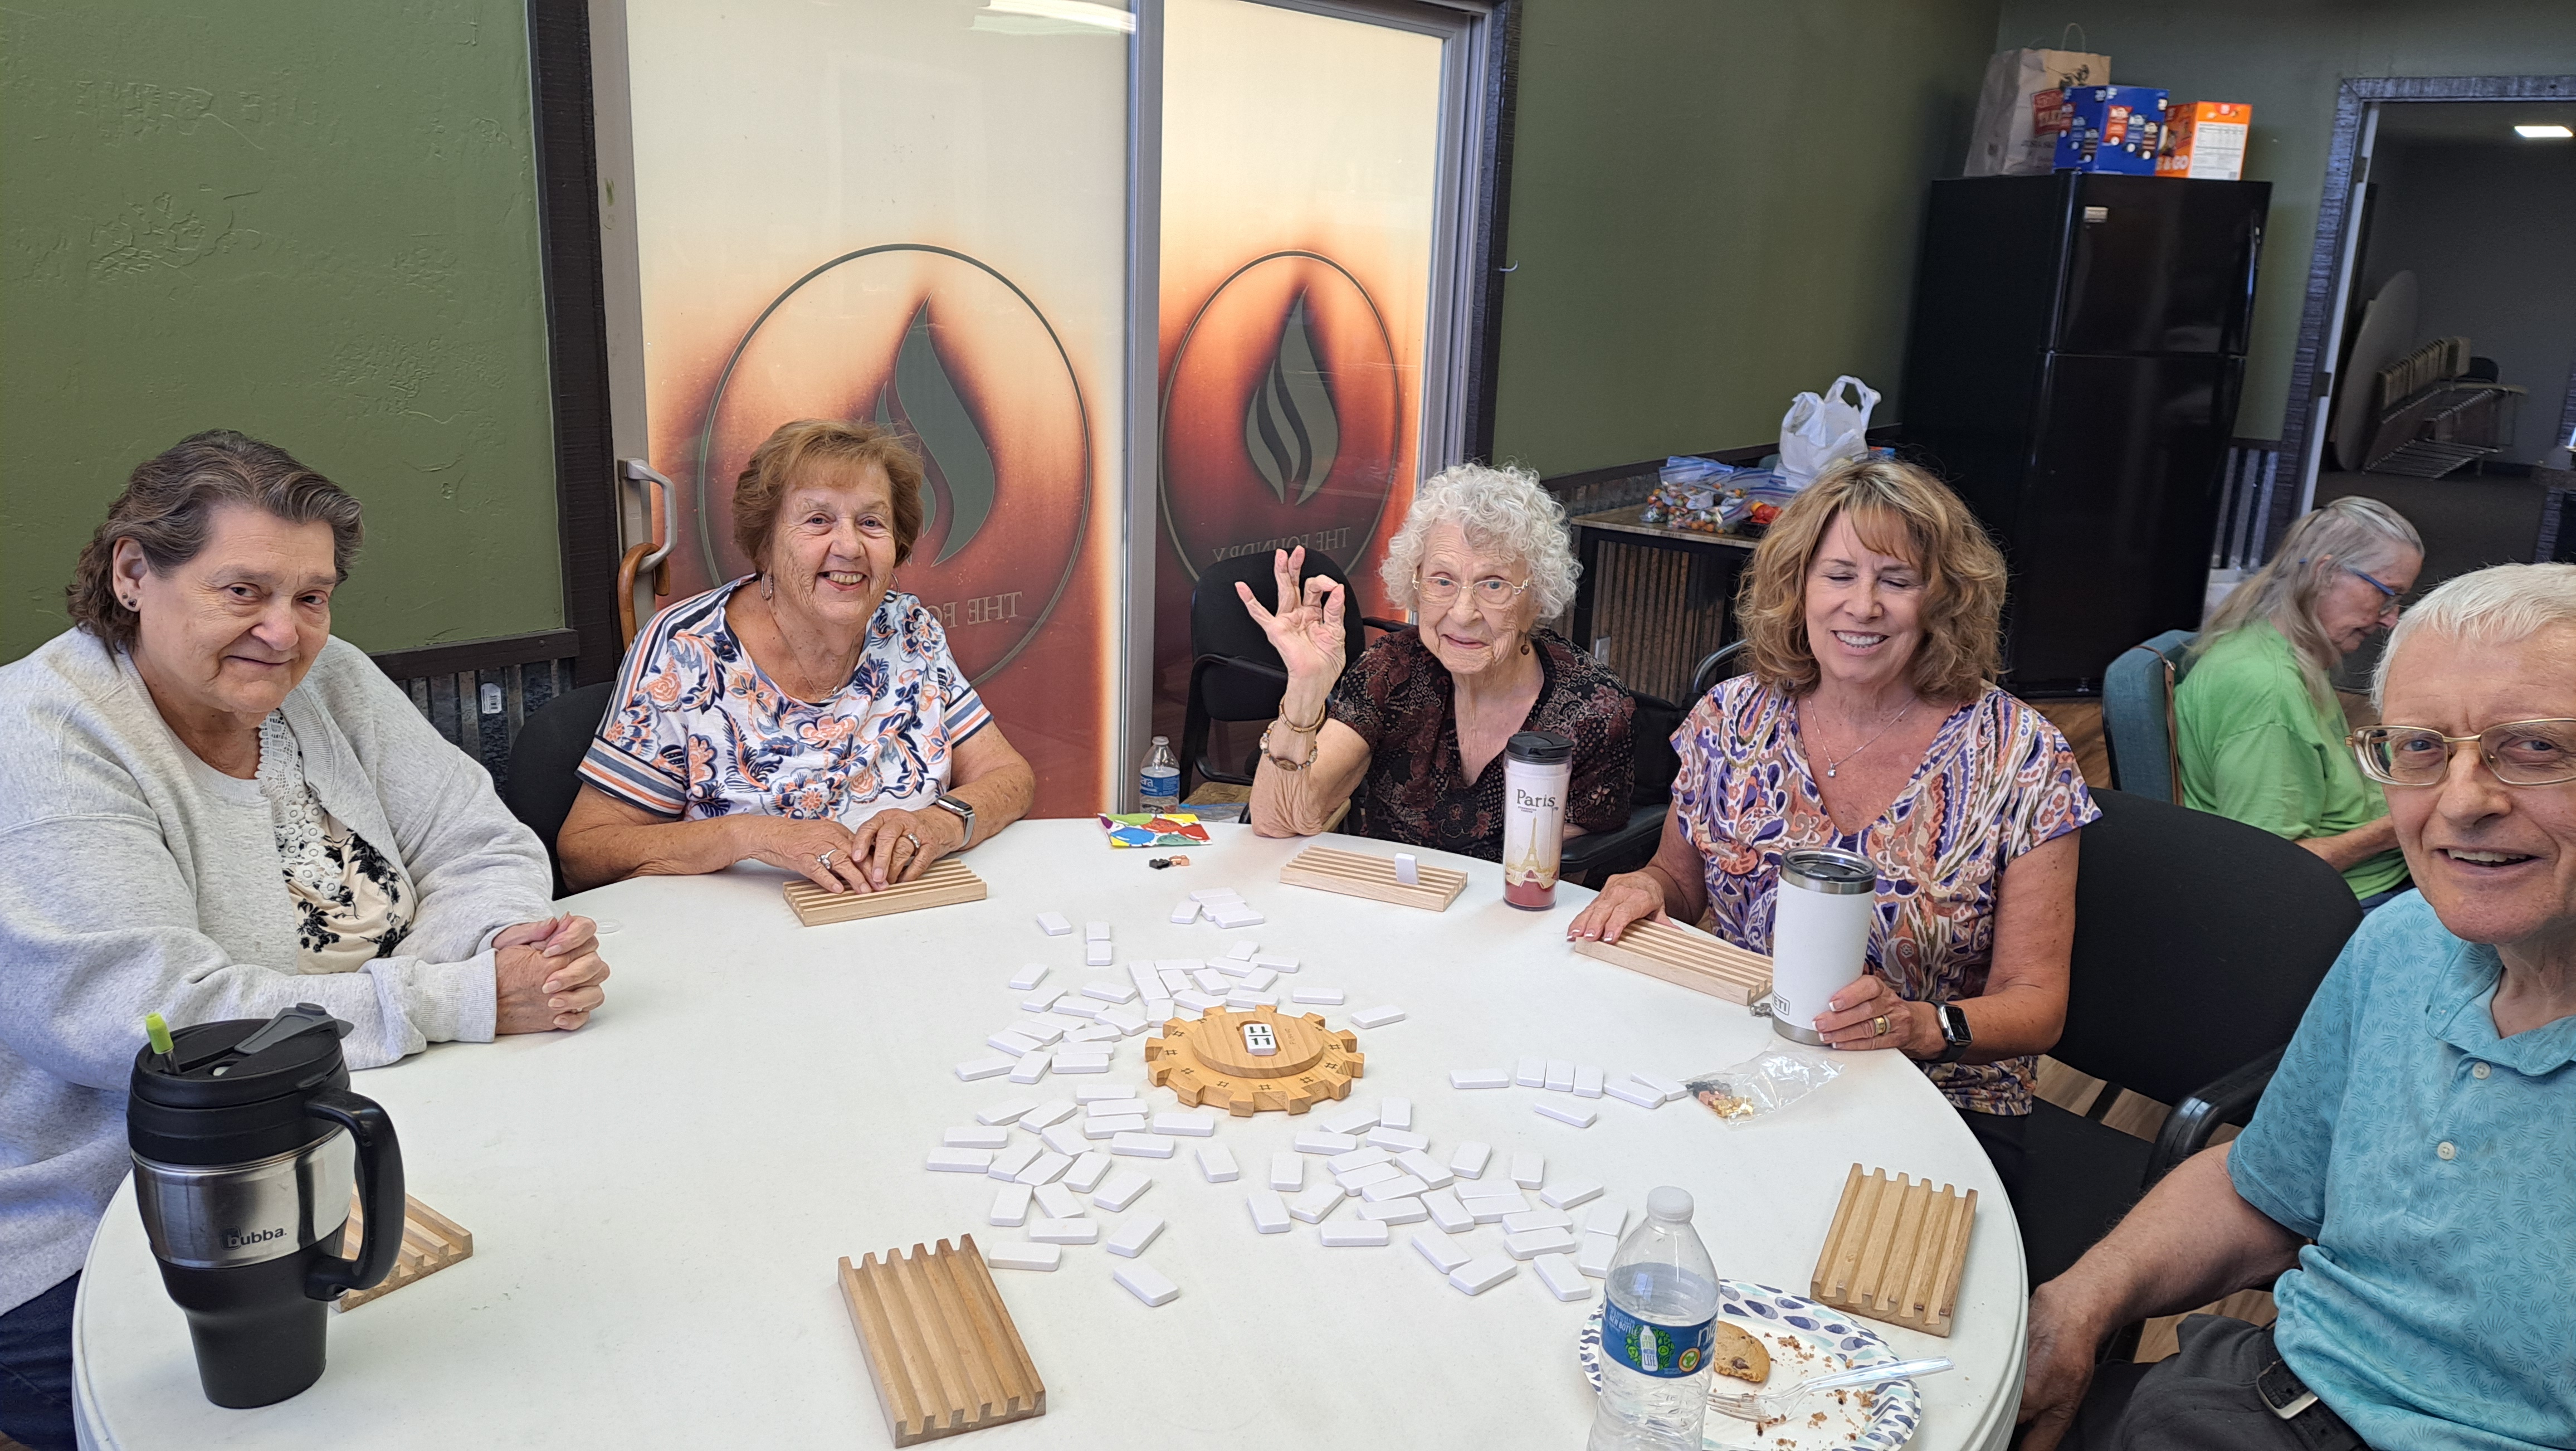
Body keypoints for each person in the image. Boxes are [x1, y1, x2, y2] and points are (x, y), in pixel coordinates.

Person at [0, 431, 610, 1451]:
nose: (284, 633)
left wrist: (508, 954)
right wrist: (453, 999)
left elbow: (481, 837)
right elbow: (153, 1017)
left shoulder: (330, 684)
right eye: (242, 590)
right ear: (132, 571)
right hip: (113, 1225)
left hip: (372, 1114)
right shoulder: (46, 737)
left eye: (312, 596)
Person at [2018, 562, 2576, 1451]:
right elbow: (2265, 1191)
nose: (2465, 803)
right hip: (2247, 1398)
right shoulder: (2402, 944)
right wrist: (2078, 1301)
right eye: (2423, 747)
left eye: (2536, 746)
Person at [1567, 457, 2091, 1195]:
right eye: (1839, 575)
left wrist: (1919, 1024)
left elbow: (2036, 1005)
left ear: (1942, 600)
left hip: (1936, 1102)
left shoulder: (2020, 755)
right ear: (1799, 587)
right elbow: (1678, 885)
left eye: (1897, 581)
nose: (1863, 605)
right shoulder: (1733, 717)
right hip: (1743, 1063)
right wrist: (1645, 887)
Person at [559, 418, 1032, 893]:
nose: (849, 547)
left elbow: (1008, 776)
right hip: (741, 938)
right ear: (765, 545)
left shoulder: (908, 628)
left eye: (871, 522)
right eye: (817, 520)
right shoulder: (687, 650)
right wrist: (754, 837)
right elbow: (587, 852)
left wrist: (942, 823)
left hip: (904, 916)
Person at [1240, 462, 1633, 861]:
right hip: (1384, 904)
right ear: (1416, 584)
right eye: (1442, 580)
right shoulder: (1394, 670)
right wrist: (1305, 690)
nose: (1463, 613)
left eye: (1493, 584)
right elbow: (1277, 822)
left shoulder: (1590, 711)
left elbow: (1556, 889)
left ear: (1537, 600)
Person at [2177, 496, 2424, 906]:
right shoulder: (2269, 692)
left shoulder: (2277, 648)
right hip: (2347, 897)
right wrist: (2401, 826)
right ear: (2326, 573)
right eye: (2387, 594)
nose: (2390, 618)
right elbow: (2271, 865)